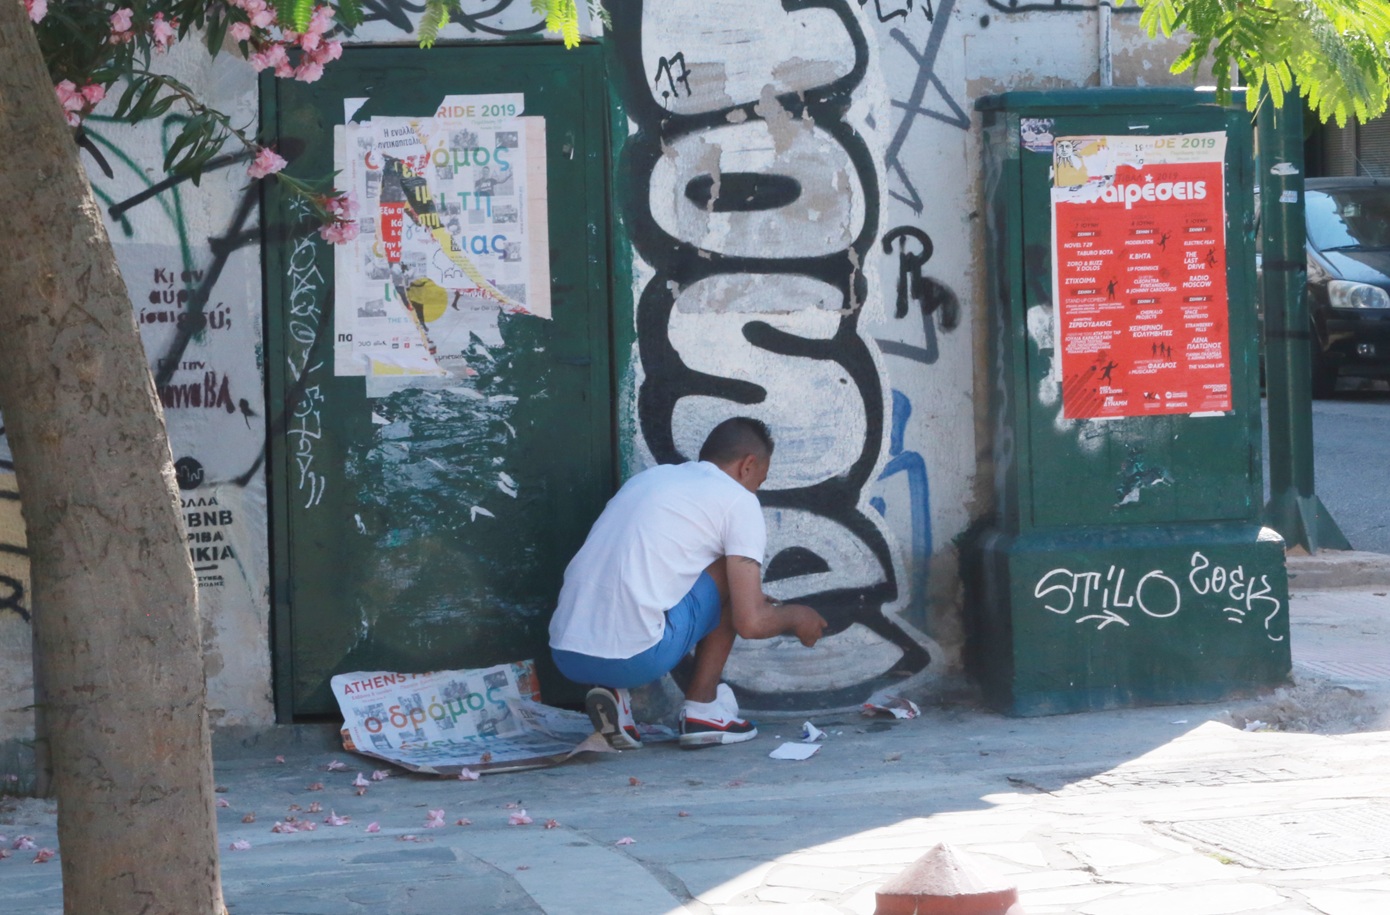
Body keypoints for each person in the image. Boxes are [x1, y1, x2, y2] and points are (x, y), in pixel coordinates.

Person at [549, 417, 828, 749]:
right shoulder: (738, 500)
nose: (757, 490)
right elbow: (751, 622)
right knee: (731, 574)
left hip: (566, 652)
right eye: (760, 481)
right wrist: (799, 616)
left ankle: (615, 698)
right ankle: (703, 710)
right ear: (748, 466)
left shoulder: (649, 479)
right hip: (636, 658)